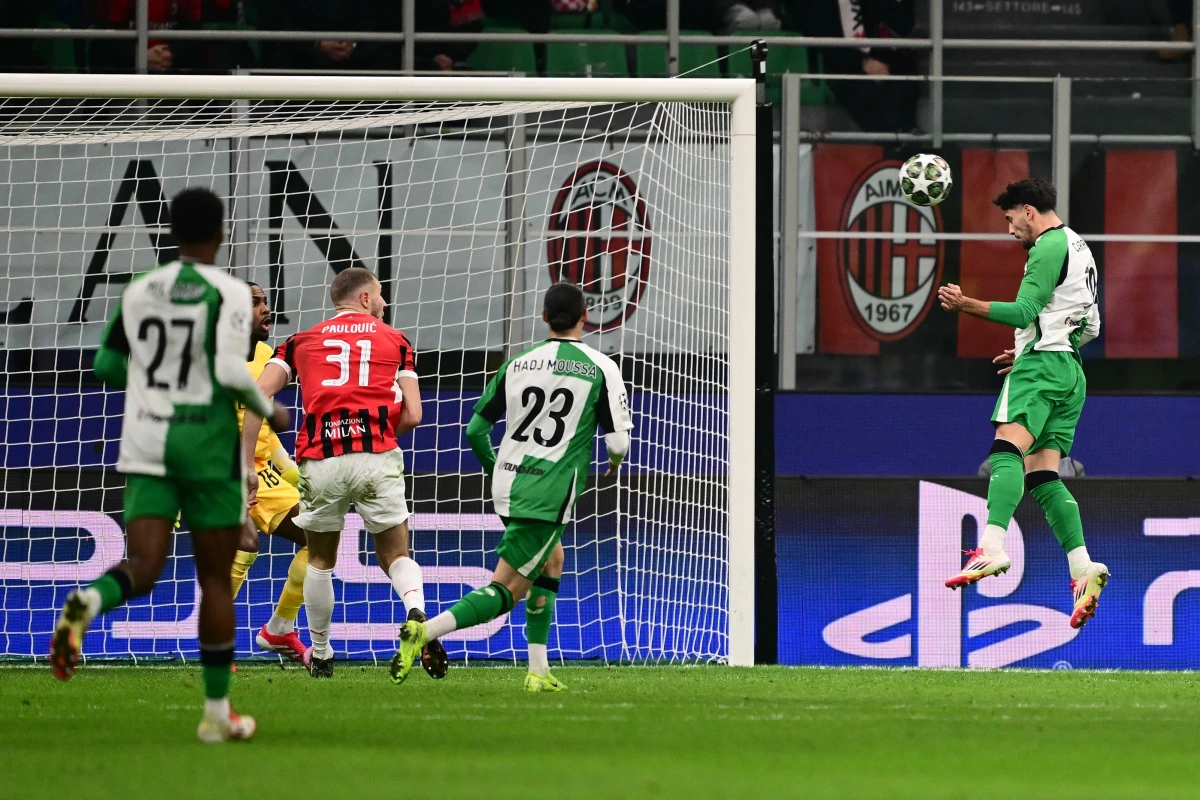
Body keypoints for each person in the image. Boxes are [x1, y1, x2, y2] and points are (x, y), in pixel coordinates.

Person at [50, 187, 290, 743]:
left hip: (148, 444)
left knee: (145, 565)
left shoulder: (139, 289)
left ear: (170, 233)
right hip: (206, 450)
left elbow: (106, 364)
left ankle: (89, 601)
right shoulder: (229, 293)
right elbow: (231, 372)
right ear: (220, 233)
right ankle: (215, 714)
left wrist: (156, 387)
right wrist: (269, 406)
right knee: (214, 580)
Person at [391, 282, 633, 692]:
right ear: (585, 318)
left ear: (543, 318)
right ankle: (426, 632)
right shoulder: (599, 366)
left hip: (508, 483)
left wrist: (497, 468)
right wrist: (611, 464)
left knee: (551, 560)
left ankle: (537, 670)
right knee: (507, 588)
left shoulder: (517, 364)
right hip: (548, 492)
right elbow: (618, 442)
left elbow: (475, 430)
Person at [243, 267, 448, 680]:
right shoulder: (397, 341)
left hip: (322, 459)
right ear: (366, 299)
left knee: (319, 559)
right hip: (376, 456)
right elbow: (415, 413)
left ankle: (320, 654)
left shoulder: (299, 342)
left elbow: (257, 394)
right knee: (395, 555)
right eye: (381, 295)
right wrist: (374, 432)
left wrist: (248, 463)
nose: (386, 304)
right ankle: (415, 612)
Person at [938, 178, 1108, 630]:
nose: (1010, 229)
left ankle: (990, 548)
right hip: (1070, 371)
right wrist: (1035, 343)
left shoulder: (1048, 247)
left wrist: (965, 304)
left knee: (1004, 450)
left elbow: (1023, 311)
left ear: (1029, 211)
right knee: (1045, 476)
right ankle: (1082, 567)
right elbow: (1089, 325)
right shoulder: (1080, 247)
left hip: (1041, 371)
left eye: (1010, 219)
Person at [228, 282, 309, 664]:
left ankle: (278, 629)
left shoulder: (267, 356)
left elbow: (262, 427)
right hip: (217, 466)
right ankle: (216, 640)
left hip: (260, 468)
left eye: (265, 301)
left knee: (319, 537)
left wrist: (288, 467)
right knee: (245, 541)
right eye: (255, 303)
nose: (266, 308)